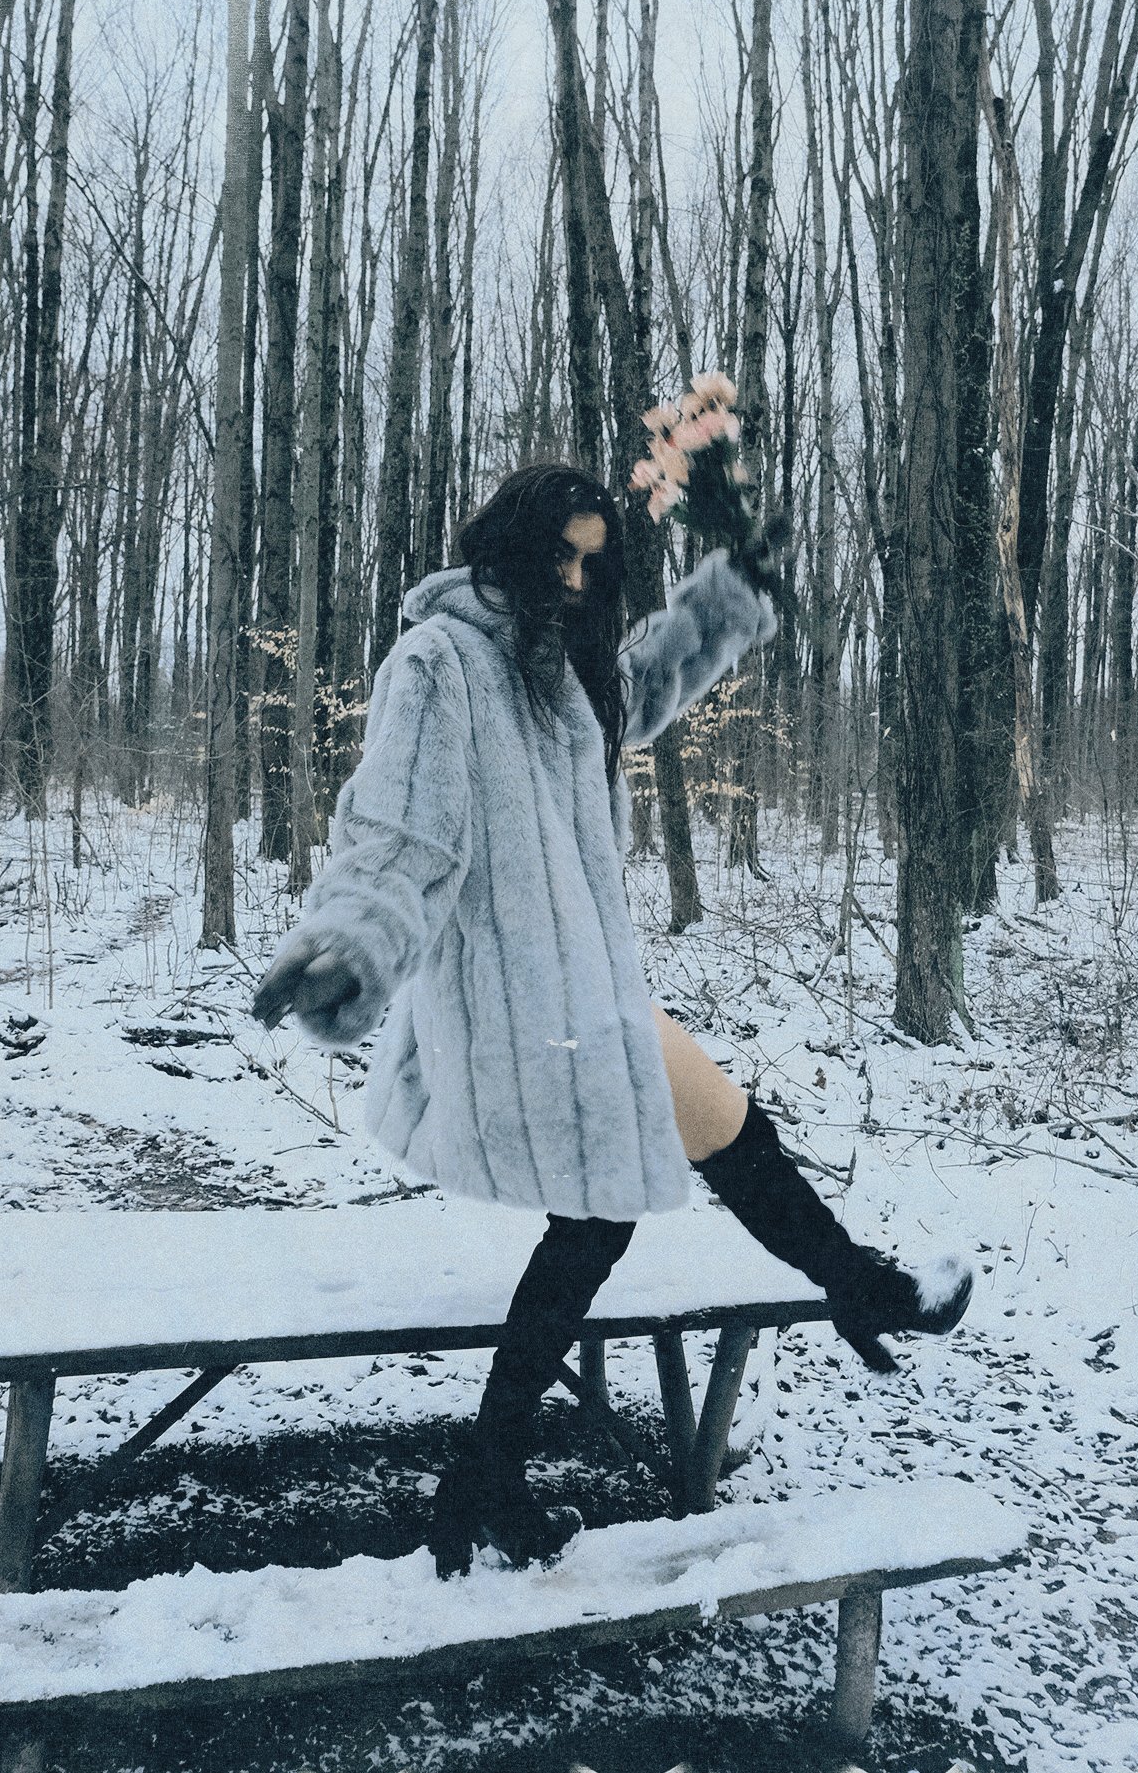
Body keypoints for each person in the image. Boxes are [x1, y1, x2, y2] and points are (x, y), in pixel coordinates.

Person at [252, 463, 973, 1580]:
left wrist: (733, 587)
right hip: (510, 1005)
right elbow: (398, 833)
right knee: (608, 1212)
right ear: (507, 547)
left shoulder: (565, 669)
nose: (578, 579)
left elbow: (644, 682)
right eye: (561, 557)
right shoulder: (440, 664)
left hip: (587, 994)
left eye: (596, 562)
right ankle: (491, 1479)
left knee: (730, 1134)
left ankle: (859, 1295)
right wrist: (346, 950)